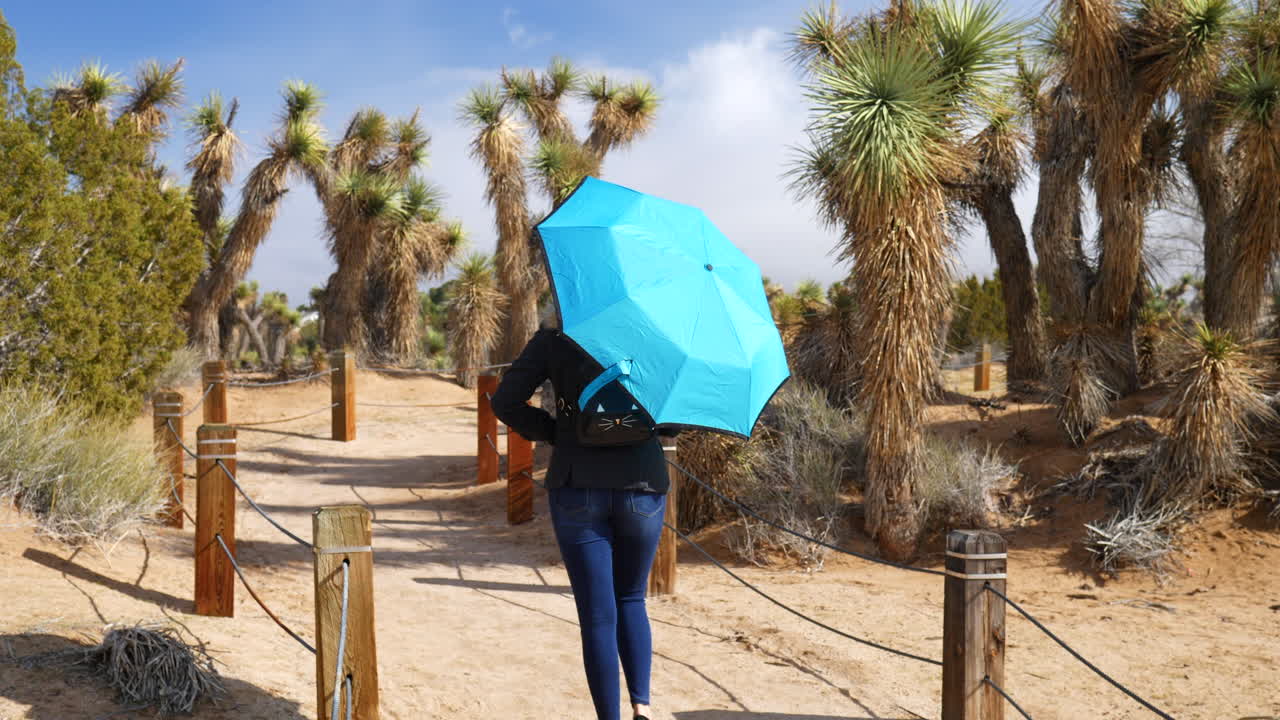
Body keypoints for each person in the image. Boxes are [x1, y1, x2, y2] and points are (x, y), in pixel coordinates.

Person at [491, 322, 673, 720]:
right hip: (641, 483)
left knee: (597, 614)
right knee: (631, 597)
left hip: (578, 483)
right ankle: (642, 706)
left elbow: (505, 402)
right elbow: (674, 419)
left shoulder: (558, 335)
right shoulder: (652, 329)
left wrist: (561, 432)